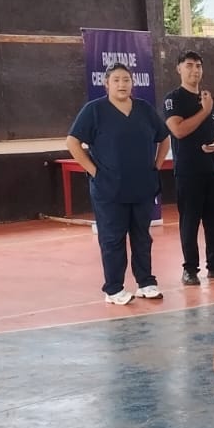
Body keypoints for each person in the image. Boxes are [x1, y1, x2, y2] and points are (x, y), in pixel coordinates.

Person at [66, 62, 171, 304]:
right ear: (106, 84)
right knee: (112, 238)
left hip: (142, 186)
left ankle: (146, 282)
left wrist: (156, 165)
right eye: (116, 80)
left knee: (142, 236)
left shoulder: (144, 109)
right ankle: (113, 288)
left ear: (132, 83)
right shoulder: (94, 110)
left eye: (126, 80)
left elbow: (164, 138)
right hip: (109, 189)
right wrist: (94, 171)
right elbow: (72, 142)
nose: (122, 84)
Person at [164, 51, 214, 287]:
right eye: (189, 65)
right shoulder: (173, 99)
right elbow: (178, 130)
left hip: (213, 169)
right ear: (179, 69)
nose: (194, 70)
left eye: (198, 66)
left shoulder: (210, 100)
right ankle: (190, 269)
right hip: (189, 170)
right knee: (190, 221)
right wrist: (204, 111)